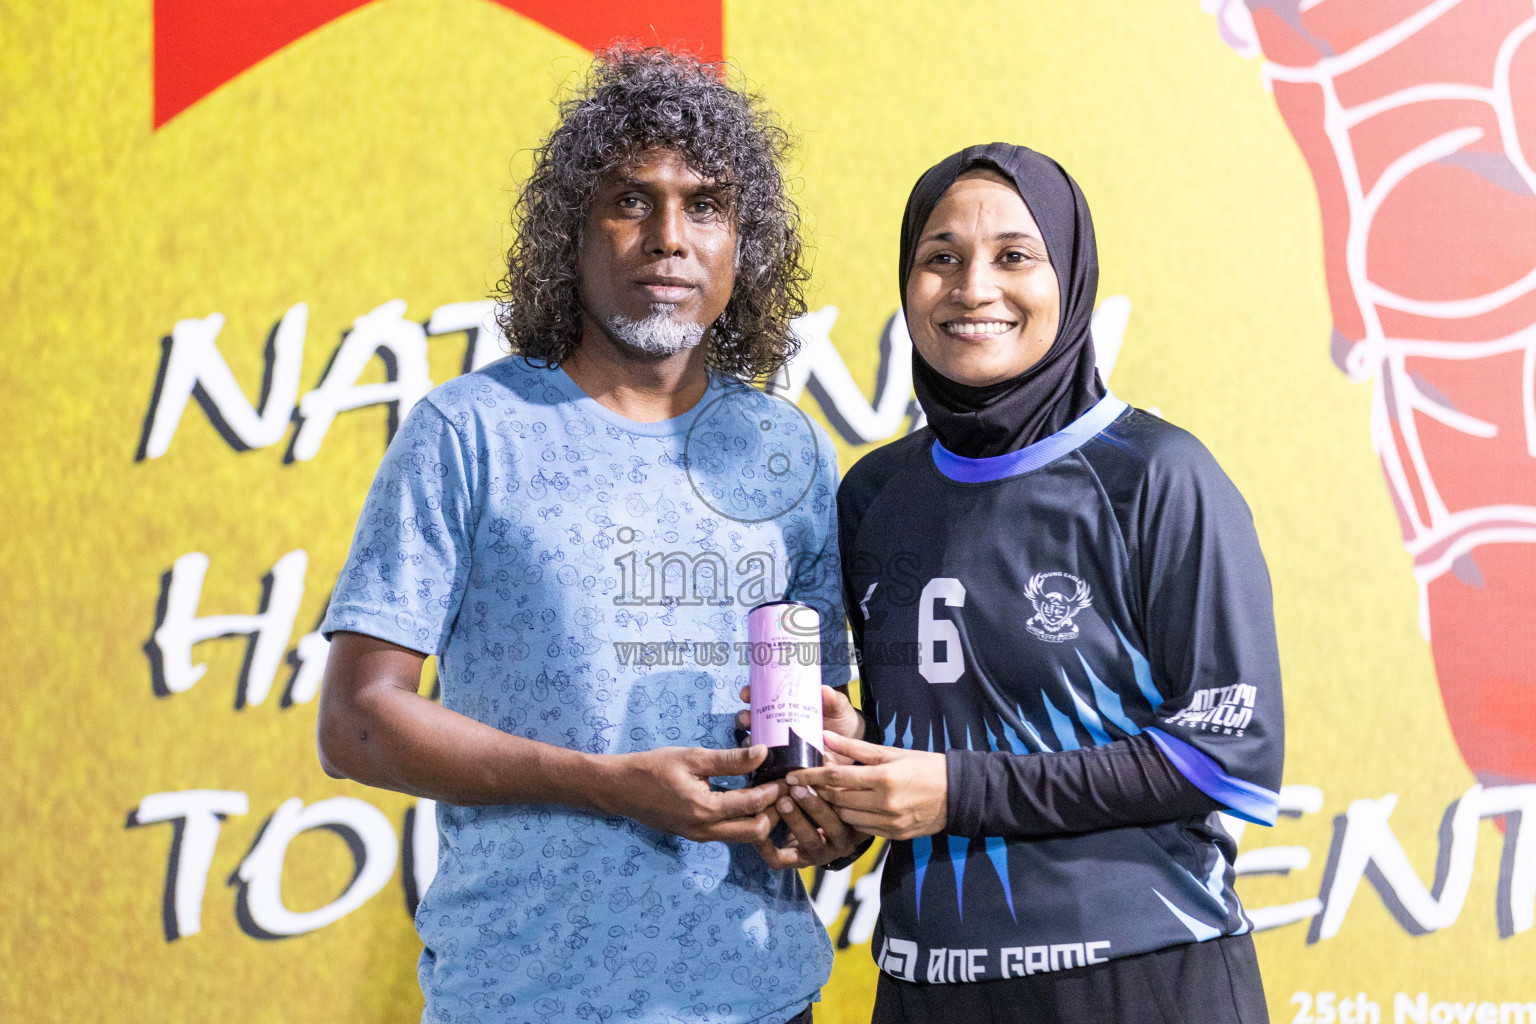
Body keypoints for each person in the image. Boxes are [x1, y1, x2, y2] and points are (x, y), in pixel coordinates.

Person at [315, 47, 860, 1024]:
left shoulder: (789, 454)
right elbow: (357, 719)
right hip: (525, 999)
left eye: (705, 205)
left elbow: (806, 728)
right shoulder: (468, 433)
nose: (669, 237)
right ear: (572, 232)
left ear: (746, 244)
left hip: (758, 998)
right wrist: (606, 785)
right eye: (630, 200)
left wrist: (825, 801)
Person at [788, 143, 1284, 1023]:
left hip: (1139, 978)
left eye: (1016, 256)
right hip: (924, 983)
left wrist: (958, 791)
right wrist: (850, 772)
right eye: (940, 257)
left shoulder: (1156, 475)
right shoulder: (873, 495)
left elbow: (1225, 751)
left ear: (1073, 277)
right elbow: (941, 729)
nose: (974, 287)